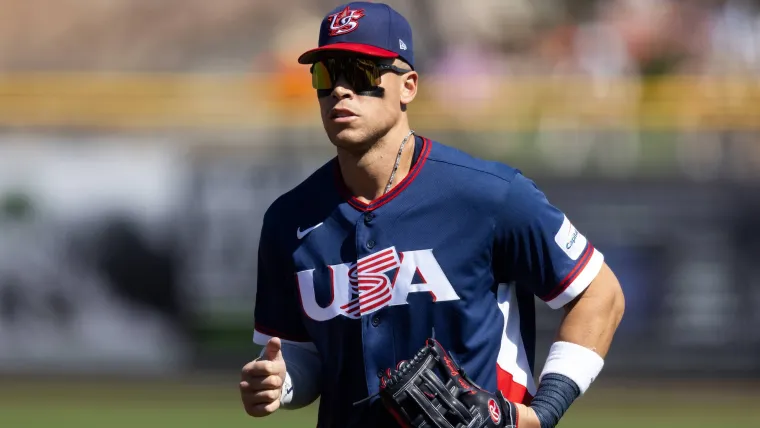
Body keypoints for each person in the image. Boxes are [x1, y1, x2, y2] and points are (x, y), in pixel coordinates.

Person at [239, 2, 625, 428]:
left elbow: (600, 294)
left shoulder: (489, 195)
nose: (341, 90)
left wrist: (544, 412)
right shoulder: (289, 219)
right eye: (326, 74)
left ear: (408, 86)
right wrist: (280, 381)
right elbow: (303, 354)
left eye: (361, 72)